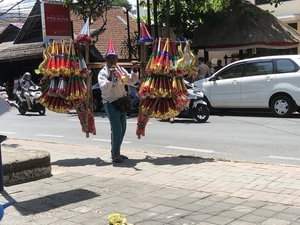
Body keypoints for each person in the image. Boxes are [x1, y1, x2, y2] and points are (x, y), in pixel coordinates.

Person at [98, 38, 138, 163]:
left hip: (122, 103)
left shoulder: (121, 70)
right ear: (106, 60)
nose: (112, 60)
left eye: (114, 58)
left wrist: (135, 69)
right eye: (109, 58)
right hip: (110, 103)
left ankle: (116, 152)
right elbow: (104, 88)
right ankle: (115, 154)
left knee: (123, 129)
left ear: (117, 59)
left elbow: (131, 81)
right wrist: (110, 76)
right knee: (117, 129)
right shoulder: (103, 73)